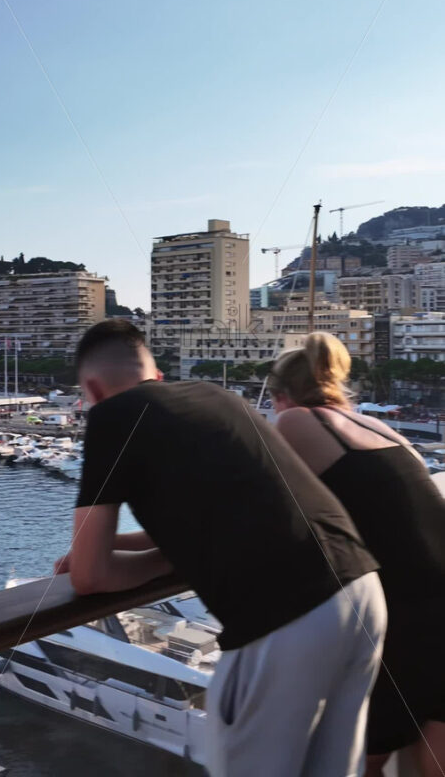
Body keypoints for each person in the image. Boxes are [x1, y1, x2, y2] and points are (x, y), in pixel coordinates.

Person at [55, 319, 387, 777]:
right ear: (157, 377)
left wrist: (161, 562)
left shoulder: (112, 416)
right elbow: (198, 518)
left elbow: (88, 577)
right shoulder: (217, 397)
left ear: (92, 388)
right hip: (363, 591)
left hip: (284, 615)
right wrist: (167, 555)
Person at [269, 331, 445, 777]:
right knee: (433, 758)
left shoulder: (296, 422)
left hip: (406, 616)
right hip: (434, 601)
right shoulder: (380, 428)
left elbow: (254, 512)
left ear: (281, 395)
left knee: (360, 760)